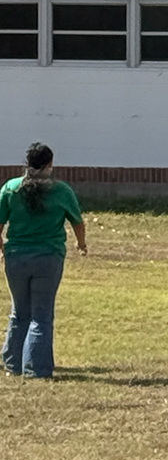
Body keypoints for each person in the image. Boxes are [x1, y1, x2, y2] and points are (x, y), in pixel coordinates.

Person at [0, 143, 87, 378]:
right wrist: (81, 244)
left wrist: (2, 250)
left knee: (19, 311)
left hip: (16, 257)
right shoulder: (61, 191)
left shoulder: (11, 188)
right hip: (48, 257)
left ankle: (12, 363)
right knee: (41, 314)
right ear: (50, 164)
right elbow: (77, 222)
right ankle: (36, 368)